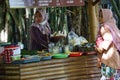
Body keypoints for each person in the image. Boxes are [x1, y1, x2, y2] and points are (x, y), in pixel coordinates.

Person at [95, 9, 120, 80]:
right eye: (99, 16)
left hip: (108, 58)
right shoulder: (113, 26)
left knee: (108, 77)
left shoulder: (105, 27)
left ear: (106, 16)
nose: (99, 18)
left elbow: (109, 39)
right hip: (115, 57)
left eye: (101, 16)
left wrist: (100, 49)